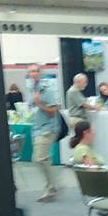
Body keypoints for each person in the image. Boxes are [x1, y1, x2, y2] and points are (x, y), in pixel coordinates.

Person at [26, 63, 60, 202]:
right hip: (37, 127)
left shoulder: (48, 88)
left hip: (48, 128)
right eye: (31, 71)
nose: (33, 73)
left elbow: (53, 111)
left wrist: (40, 103)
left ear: (41, 72)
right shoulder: (32, 88)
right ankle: (51, 187)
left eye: (36, 71)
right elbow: (31, 106)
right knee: (42, 159)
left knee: (39, 158)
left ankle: (51, 187)